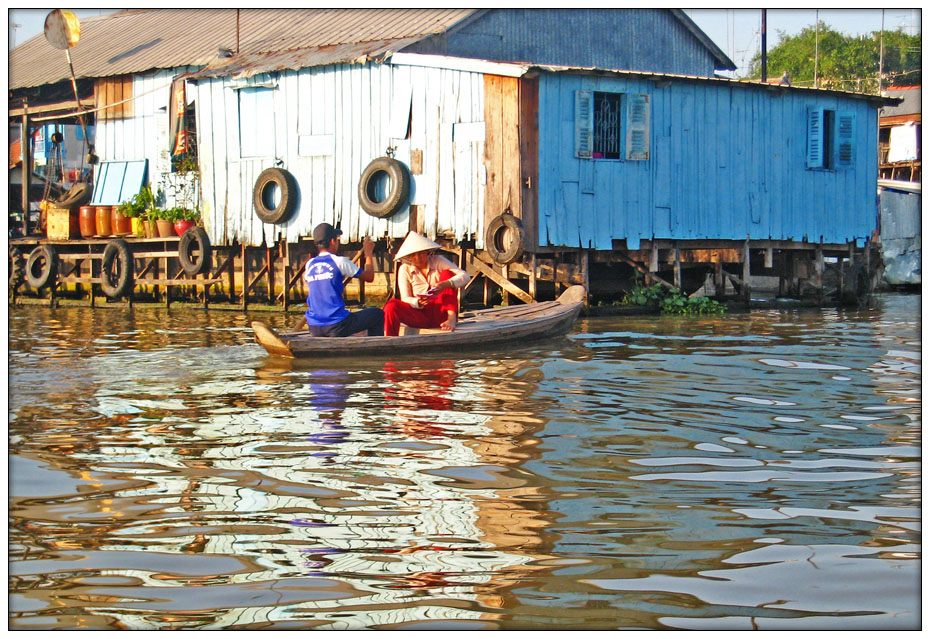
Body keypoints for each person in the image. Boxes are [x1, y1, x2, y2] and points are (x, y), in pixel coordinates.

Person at [302, 222, 384, 336]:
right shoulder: (339, 261)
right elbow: (369, 277)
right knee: (377, 314)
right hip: (336, 326)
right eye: (337, 239)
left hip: (314, 327)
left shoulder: (310, 264)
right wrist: (368, 253)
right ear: (332, 241)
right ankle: (375, 350)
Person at [383, 232, 470, 336]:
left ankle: (451, 318)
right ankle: (390, 338)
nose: (418, 258)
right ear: (409, 257)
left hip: (441, 312)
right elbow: (405, 298)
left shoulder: (438, 261)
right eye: (413, 255)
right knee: (391, 305)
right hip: (420, 314)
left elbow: (465, 276)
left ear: (427, 252)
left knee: (447, 274)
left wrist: (444, 284)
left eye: (420, 253)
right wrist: (418, 302)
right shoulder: (404, 269)